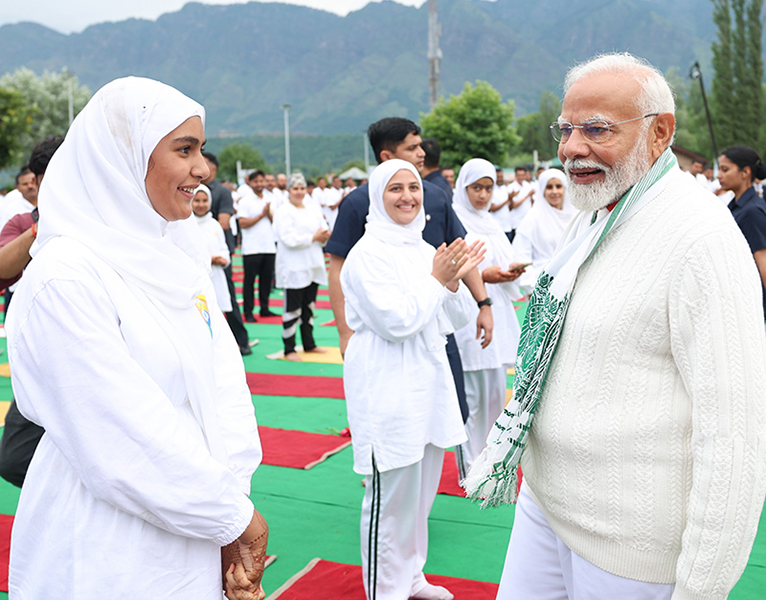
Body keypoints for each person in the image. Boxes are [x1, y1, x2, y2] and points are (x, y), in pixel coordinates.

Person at [465, 52, 766, 600]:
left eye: (597, 129)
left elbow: (734, 440)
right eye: (566, 128)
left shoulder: (702, 239)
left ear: (660, 133)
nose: (571, 148)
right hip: (547, 506)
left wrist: (701, 589)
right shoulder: (597, 210)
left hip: (631, 550)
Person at [5, 76, 269, 599]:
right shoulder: (65, 275)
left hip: (199, 519)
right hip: (107, 540)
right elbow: (116, 431)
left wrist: (230, 498)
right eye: (183, 148)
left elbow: (223, 387)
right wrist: (228, 514)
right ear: (123, 158)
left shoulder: (174, 256)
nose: (201, 167)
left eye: (202, 149)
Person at [341, 159, 481, 600]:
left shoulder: (423, 249)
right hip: (387, 381)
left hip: (427, 379)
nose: (407, 197)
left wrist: (453, 281)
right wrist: (439, 281)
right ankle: (385, 590)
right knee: (391, 497)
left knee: (421, 492)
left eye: (414, 188)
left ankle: (411, 577)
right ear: (377, 197)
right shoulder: (367, 254)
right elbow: (395, 322)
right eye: (395, 189)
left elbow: (453, 317)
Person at [450, 158, 526, 479]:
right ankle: (469, 466)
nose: (482, 195)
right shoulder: (455, 221)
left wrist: (511, 272)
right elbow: (452, 267)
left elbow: (506, 263)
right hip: (469, 314)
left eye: (487, 188)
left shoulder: (491, 223)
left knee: (496, 391)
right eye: (475, 188)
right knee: (472, 396)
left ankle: (491, 461)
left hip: (498, 313)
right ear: (463, 188)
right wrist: (484, 275)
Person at [0, 135, 64, 489]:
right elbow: (2, 267)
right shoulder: (23, 223)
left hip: (95, 352)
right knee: (13, 460)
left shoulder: (105, 219)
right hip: (39, 361)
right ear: (35, 183)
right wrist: (44, 227)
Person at [272, 173, 330, 361]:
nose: (299, 192)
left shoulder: (312, 207)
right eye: (295, 188)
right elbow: (288, 238)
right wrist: (313, 238)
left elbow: (323, 228)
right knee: (292, 309)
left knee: (309, 307)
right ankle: (289, 348)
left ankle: (309, 344)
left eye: (302, 188)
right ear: (288, 190)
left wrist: (323, 236)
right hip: (293, 266)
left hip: (312, 263)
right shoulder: (283, 211)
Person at [202, 151, 251, 355]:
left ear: (213, 168)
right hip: (198, 256)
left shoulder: (221, 192)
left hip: (220, 253)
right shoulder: (192, 188)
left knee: (227, 297)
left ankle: (242, 340)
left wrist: (203, 224)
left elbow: (223, 223)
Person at [717, 145, 766, 319]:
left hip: (755, 308)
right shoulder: (736, 206)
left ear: (745, 172)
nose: (718, 175)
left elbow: (763, 261)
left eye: (725, 169)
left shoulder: (752, 211)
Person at [512, 168, 578, 291]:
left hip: (574, 282)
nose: (555, 191)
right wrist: (532, 287)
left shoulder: (576, 215)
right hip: (542, 284)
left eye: (559, 186)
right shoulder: (532, 218)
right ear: (542, 190)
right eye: (549, 187)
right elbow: (521, 254)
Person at [238, 169, 278, 321]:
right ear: (250, 182)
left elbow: (277, 221)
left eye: (262, 181)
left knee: (266, 280)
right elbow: (243, 223)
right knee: (249, 281)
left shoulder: (271, 198)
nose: (260, 184)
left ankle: (265, 308)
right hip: (252, 248)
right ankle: (248, 312)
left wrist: (268, 214)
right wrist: (261, 215)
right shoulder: (245, 201)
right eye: (256, 181)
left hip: (268, 246)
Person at [192, 184, 234, 313]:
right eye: (197, 200)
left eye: (205, 201)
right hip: (195, 277)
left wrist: (223, 259)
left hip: (216, 275)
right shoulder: (186, 224)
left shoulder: (214, 224)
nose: (201, 205)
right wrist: (209, 259)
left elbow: (223, 248)